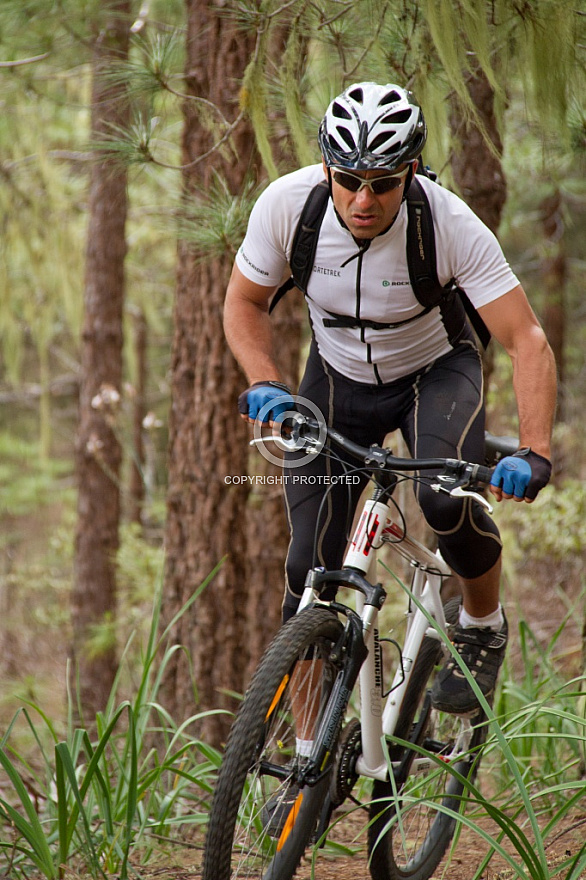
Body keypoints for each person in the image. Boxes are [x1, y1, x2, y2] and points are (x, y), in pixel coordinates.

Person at [224, 82, 557, 715]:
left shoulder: (448, 223)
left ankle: (482, 624)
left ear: (410, 171)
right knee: (308, 572)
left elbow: (527, 339)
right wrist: (266, 379)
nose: (363, 198)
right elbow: (243, 302)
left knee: (441, 496)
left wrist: (536, 450)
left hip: (434, 373)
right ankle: (300, 773)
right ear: (326, 168)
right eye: (348, 179)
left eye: (383, 181)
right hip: (336, 377)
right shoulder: (287, 208)